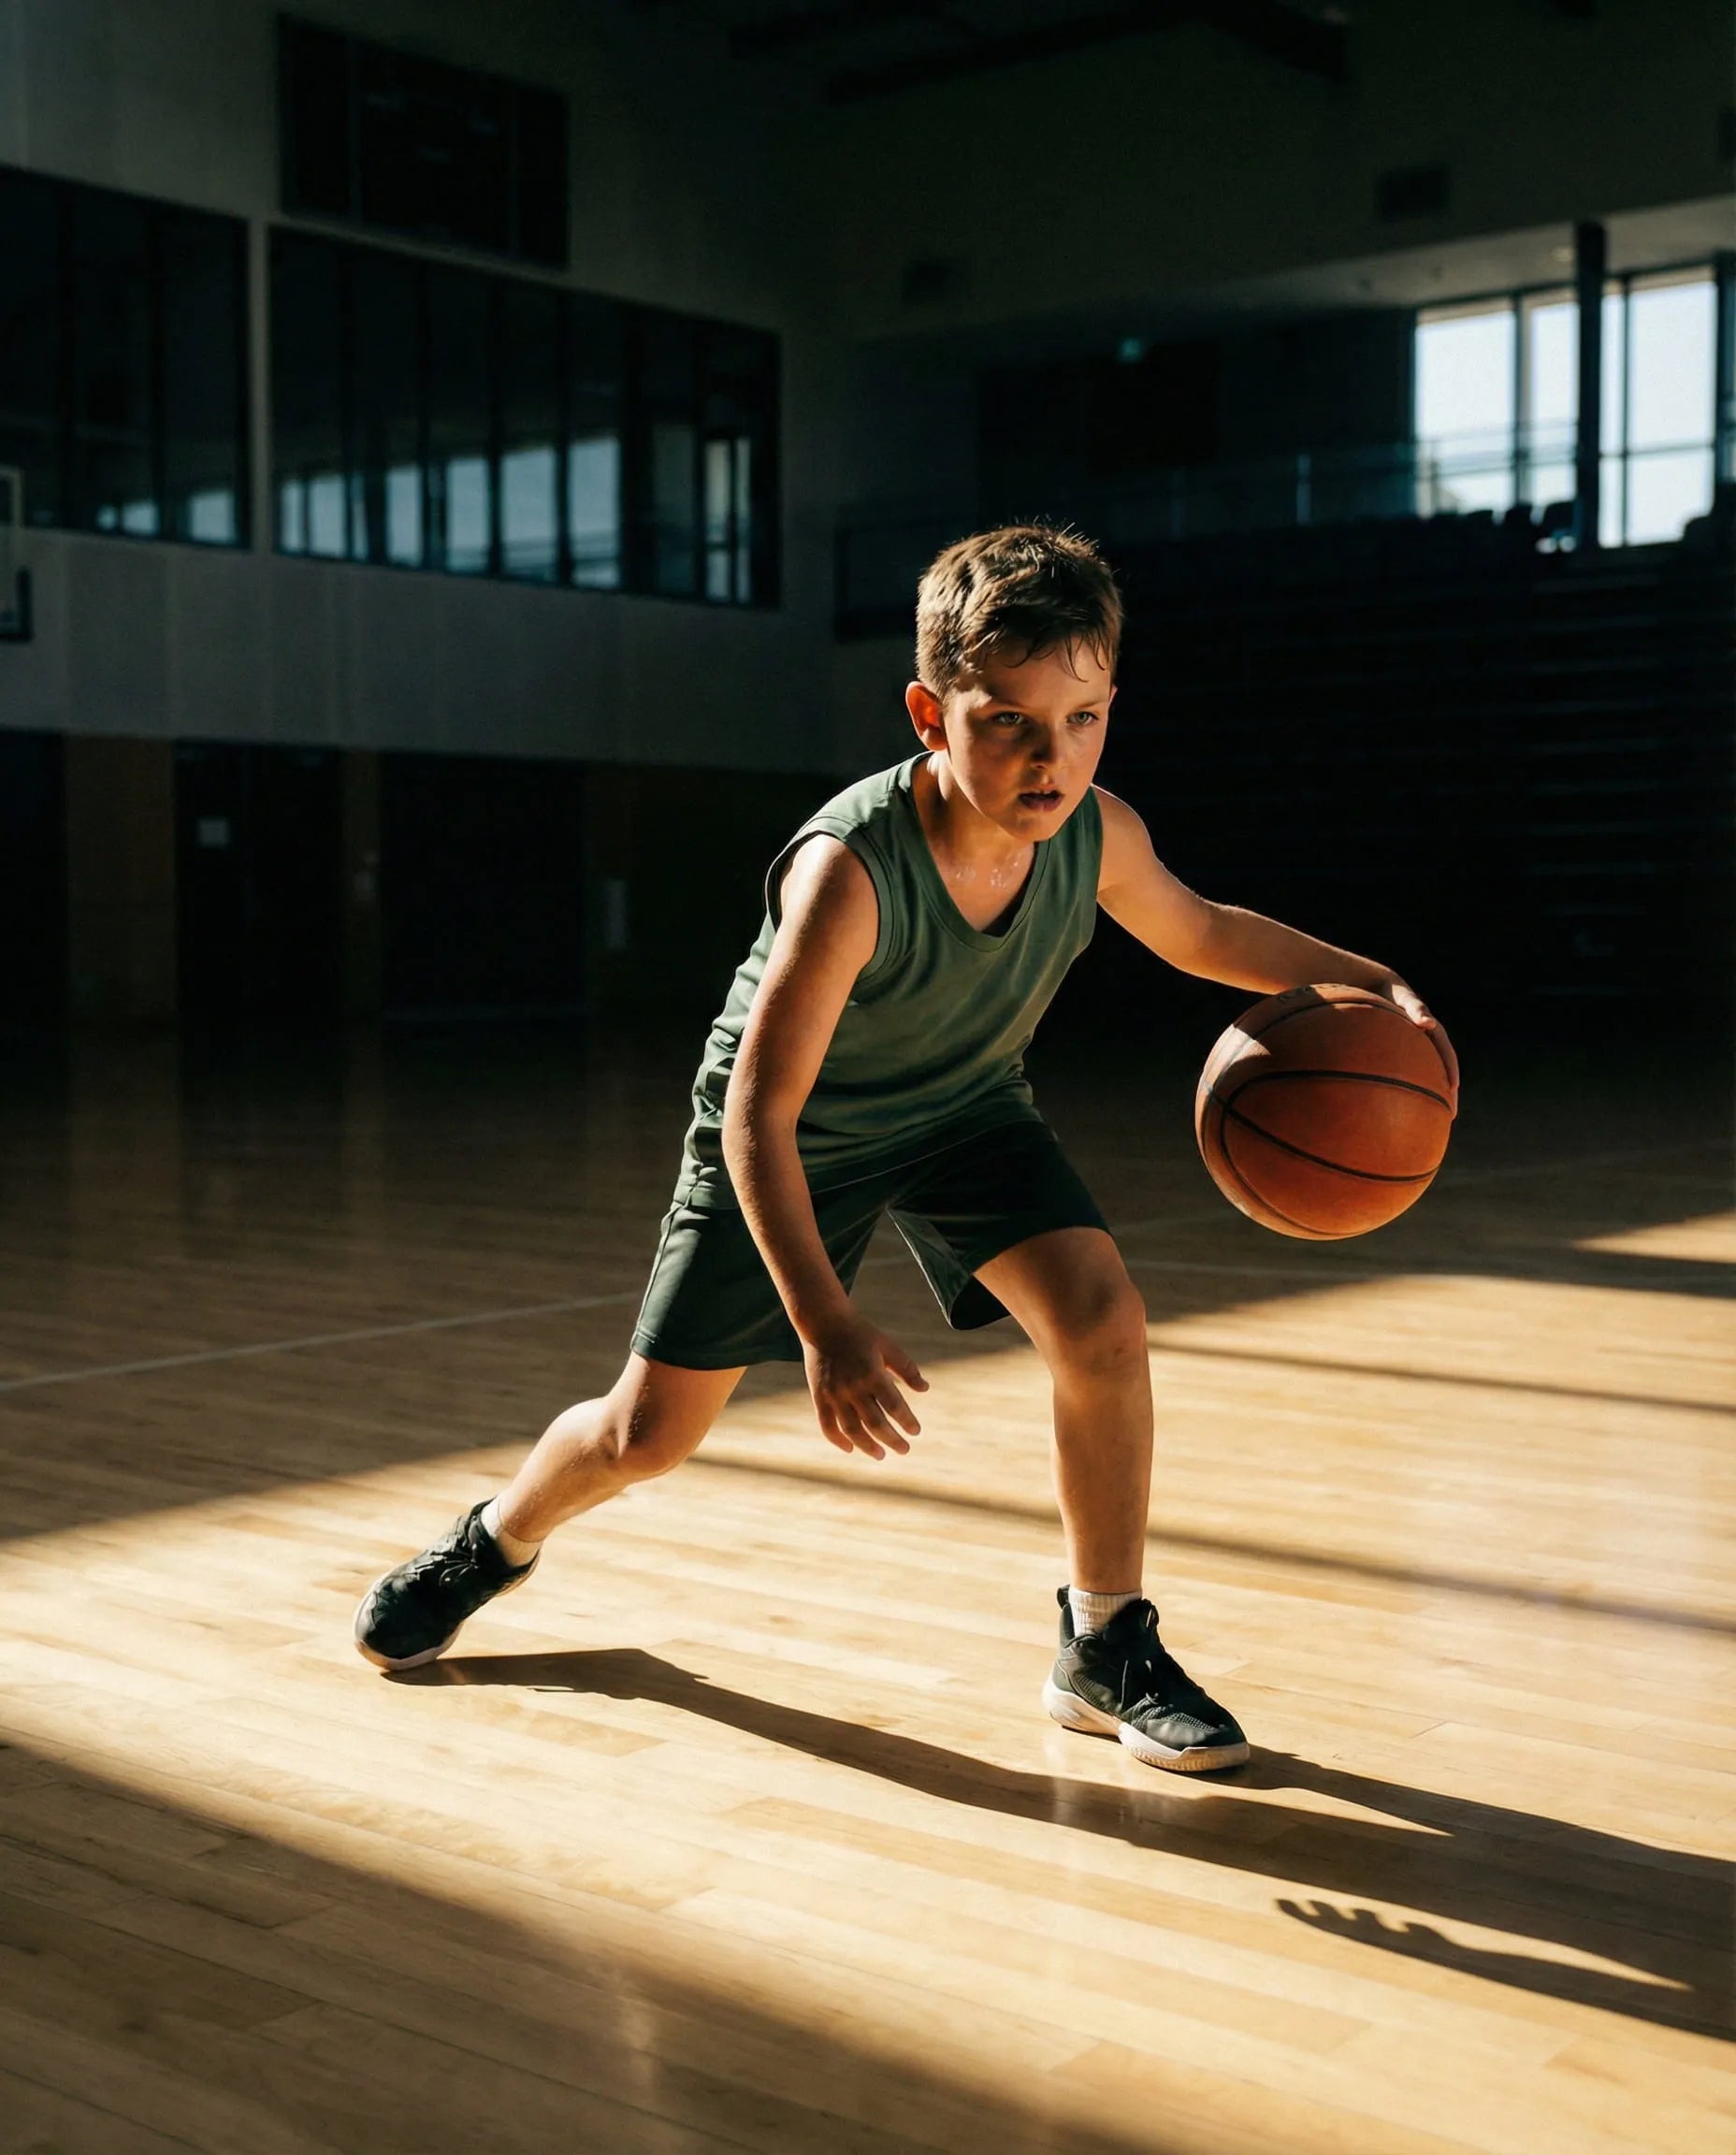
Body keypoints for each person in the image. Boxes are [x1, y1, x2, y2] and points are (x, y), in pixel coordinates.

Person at [354, 525, 1458, 1773]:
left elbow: (1202, 933)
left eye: (1082, 720)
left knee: (1102, 1319)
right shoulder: (852, 870)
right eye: (1010, 722)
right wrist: (826, 1326)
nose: (1051, 758)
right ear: (932, 715)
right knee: (647, 1435)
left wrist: (1378, 983)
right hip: (799, 1136)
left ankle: (1105, 1643)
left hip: (964, 1110)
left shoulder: (1098, 833)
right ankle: (494, 1541)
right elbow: (759, 1115)